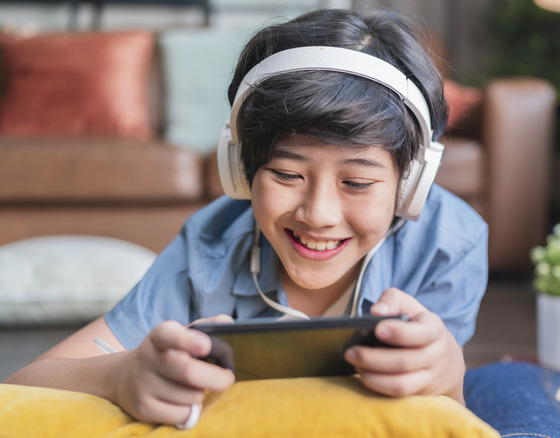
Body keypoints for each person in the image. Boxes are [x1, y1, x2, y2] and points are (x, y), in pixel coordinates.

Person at [4, 8, 488, 428]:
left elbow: (446, 417)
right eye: (285, 173)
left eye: (357, 183)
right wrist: (121, 375)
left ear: (410, 186)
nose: (318, 215)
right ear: (240, 172)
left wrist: (448, 378)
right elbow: (25, 385)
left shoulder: (451, 244)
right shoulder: (209, 244)